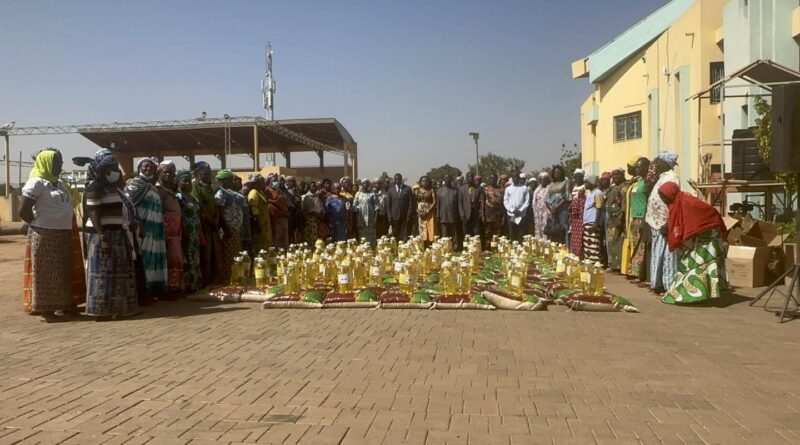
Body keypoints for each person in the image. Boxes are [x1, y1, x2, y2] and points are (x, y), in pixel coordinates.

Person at [19, 149, 77, 322]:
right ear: (46, 163)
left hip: (63, 233)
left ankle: (63, 306)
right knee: (46, 273)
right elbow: (23, 210)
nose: (60, 165)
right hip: (45, 234)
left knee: (62, 271)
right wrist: (37, 223)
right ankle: (46, 311)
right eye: (57, 162)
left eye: (60, 161)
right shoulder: (37, 182)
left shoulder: (59, 184)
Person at [82, 151, 140, 319]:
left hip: (117, 233)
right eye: (113, 168)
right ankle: (101, 311)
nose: (116, 171)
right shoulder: (95, 188)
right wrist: (102, 238)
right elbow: (93, 213)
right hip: (102, 235)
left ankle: (118, 309)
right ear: (104, 170)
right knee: (102, 274)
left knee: (118, 273)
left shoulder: (112, 188)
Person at [658, 182, 728, 304]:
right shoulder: (677, 203)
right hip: (699, 235)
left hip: (707, 235)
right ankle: (698, 294)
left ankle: (693, 295)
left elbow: (702, 216)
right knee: (693, 264)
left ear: (671, 194)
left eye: (664, 197)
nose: (663, 200)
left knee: (698, 264)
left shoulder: (686, 202)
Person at [124, 158, 167, 302]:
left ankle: (155, 290)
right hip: (143, 229)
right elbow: (130, 205)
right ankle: (145, 291)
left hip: (156, 231)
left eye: (151, 167)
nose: (148, 169)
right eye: (145, 166)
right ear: (139, 168)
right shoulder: (133, 185)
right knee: (146, 259)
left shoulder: (153, 187)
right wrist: (139, 225)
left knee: (155, 260)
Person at [647, 152, 681, 294]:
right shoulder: (662, 177)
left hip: (664, 223)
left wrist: (667, 224)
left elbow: (672, 201)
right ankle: (657, 284)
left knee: (668, 256)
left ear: (666, 164)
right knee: (658, 254)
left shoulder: (672, 178)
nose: (655, 164)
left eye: (658, 162)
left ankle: (669, 286)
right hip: (656, 223)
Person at [191, 161, 220, 287]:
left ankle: (214, 279)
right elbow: (200, 205)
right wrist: (210, 220)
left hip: (213, 224)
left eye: (209, 173)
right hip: (204, 224)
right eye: (205, 173)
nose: (208, 175)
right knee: (205, 252)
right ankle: (205, 281)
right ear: (197, 173)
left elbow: (214, 204)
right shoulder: (195, 186)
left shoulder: (208, 186)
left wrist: (216, 219)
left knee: (214, 252)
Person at [156, 161, 183, 297]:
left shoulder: (172, 191)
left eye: (171, 172)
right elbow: (160, 212)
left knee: (176, 259)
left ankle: (175, 286)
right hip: (167, 230)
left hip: (176, 232)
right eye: (165, 172)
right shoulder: (158, 191)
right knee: (168, 260)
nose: (168, 175)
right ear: (159, 173)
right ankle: (168, 288)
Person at [175, 170, 202, 293]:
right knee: (186, 259)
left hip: (195, 235)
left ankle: (194, 285)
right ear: (178, 182)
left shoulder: (194, 198)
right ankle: (185, 286)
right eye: (184, 181)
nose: (187, 183)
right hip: (185, 233)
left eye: (189, 181)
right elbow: (178, 216)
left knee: (194, 258)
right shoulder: (178, 198)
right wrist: (183, 231)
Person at [215, 169, 243, 283]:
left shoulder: (230, 192)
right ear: (223, 181)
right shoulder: (221, 193)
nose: (232, 182)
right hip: (228, 229)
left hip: (234, 228)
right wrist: (226, 228)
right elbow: (219, 211)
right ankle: (226, 278)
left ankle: (233, 277)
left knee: (234, 254)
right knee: (227, 254)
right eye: (230, 180)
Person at [605, 167, 626, 272]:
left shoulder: (624, 187)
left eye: (618, 174)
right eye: (613, 175)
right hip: (611, 219)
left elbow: (623, 204)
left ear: (622, 175)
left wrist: (620, 217)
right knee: (611, 243)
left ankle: (618, 266)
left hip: (618, 218)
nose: (615, 177)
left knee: (618, 243)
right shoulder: (613, 188)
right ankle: (613, 265)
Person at [582, 175, 605, 264]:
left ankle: (595, 263)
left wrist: (596, 223)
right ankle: (589, 262)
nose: (585, 184)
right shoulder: (590, 193)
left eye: (587, 182)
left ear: (592, 183)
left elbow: (599, 209)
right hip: (587, 222)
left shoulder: (598, 193)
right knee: (588, 243)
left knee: (593, 244)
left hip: (593, 222)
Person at [503, 170, 531, 242]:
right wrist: (512, 210)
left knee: (521, 233)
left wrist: (520, 210)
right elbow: (505, 201)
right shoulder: (508, 189)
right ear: (512, 178)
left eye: (516, 177)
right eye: (513, 177)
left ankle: (520, 247)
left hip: (521, 215)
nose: (515, 178)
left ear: (519, 178)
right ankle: (512, 248)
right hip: (511, 214)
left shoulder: (524, 188)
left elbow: (527, 201)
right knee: (512, 233)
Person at [458, 171, 483, 250]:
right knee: (466, 233)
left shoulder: (478, 188)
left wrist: (480, 213)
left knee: (476, 233)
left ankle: (476, 249)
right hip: (465, 215)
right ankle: (466, 249)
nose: (471, 178)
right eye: (469, 176)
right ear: (466, 178)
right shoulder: (462, 189)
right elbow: (460, 203)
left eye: (472, 177)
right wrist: (462, 214)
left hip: (475, 214)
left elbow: (481, 201)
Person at [248, 174, 272, 253]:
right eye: (262, 181)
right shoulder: (253, 192)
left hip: (264, 224)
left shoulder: (260, 192)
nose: (264, 182)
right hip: (259, 224)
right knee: (260, 247)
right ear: (256, 182)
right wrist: (258, 225)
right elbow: (253, 209)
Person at [386, 173, 414, 241]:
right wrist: (389, 217)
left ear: (401, 180)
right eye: (396, 179)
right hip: (394, 216)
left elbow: (410, 203)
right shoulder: (390, 190)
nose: (397, 181)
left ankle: (405, 247)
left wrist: (409, 215)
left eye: (399, 179)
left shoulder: (407, 189)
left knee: (405, 236)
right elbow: (388, 205)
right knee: (395, 236)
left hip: (405, 216)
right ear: (394, 180)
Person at [546, 165, 570, 244]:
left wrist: (557, 206)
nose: (556, 174)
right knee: (553, 228)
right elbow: (546, 199)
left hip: (563, 209)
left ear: (562, 173)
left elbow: (567, 197)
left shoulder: (566, 182)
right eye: (555, 172)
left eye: (558, 172)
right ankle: (555, 246)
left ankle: (565, 246)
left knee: (563, 227)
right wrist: (551, 208)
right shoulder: (550, 184)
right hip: (552, 210)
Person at [482, 173, 505, 250]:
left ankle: (497, 250)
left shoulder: (501, 190)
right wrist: (482, 215)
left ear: (496, 179)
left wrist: (503, 216)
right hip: (488, 216)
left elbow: (503, 204)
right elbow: (482, 203)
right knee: (488, 234)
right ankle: (488, 249)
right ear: (489, 179)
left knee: (497, 234)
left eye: (494, 178)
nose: (492, 180)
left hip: (498, 216)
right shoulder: (485, 189)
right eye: (491, 178)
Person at [352, 179, 378, 247]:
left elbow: (376, 207)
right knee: (362, 235)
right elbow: (354, 207)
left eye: (367, 183)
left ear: (369, 184)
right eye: (364, 183)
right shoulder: (358, 194)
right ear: (361, 184)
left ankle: (371, 249)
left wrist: (375, 219)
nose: (365, 185)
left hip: (370, 218)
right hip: (361, 218)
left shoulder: (372, 194)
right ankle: (362, 249)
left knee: (371, 234)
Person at [266, 174, 290, 249]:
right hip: (276, 218)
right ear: (270, 182)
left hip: (284, 218)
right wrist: (281, 213)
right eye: (274, 181)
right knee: (277, 239)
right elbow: (271, 204)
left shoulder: (278, 190)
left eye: (277, 180)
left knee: (284, 239)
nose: (276, 182)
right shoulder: (268, 190)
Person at [232, 176, 252, 259]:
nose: (240, 183)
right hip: (237, 228)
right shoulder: (231, 195)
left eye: (240, 181)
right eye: (237, 181)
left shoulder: (242, 195)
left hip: (246, 226)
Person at [568, 169, 586, 257]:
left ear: (583, 177)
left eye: (579, 176)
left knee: (581, 234)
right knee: (574, 234)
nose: (577, 178)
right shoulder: (574, 187)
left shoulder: (585, 187)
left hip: (581, 213)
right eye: (575, 176)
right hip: (574, 213)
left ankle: (581, 254)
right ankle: (575, 252)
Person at [414, 176, 437, 245]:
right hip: (420, 212)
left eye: (426, 181)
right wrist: (418, 212)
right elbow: (414, 202)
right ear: (420, 182)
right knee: (422, 228)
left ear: (429, 182)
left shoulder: (431, 190)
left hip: (429, 212)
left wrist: (427, 211)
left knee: (430, 228)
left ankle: (430, 244)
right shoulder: (417, 191)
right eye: (423, 181)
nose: (425, 183)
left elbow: (434, 202)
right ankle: (422, 244)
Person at [436, 174, 460, 239]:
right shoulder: (439, 191)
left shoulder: (456, 190)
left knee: (454, 234)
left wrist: (459, 215)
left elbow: (458, 204)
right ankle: (445, 245)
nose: (448, 179)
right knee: (444, 235)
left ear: (451, 179)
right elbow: (438, 204)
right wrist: (438, 215)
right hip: (443, 216)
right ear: (444, 180)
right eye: (446, 178)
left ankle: (455, 245)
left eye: (449, 178)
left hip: (453, 215)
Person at [532, 172, 551, 239]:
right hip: (538, 212)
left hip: (546, 212)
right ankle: (539, 242)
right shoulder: (537, 190)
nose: (543, 181)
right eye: (541, 179)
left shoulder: (549, 188)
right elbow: (534, 202)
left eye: (544, 179)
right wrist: (535, 211)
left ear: (547, 180)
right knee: (538, 228)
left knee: (546, 228)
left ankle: (546, 243)